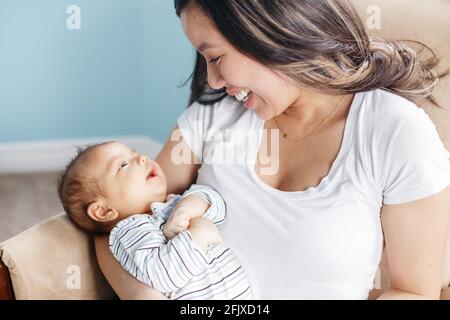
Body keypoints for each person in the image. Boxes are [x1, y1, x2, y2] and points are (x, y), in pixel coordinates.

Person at [95, 0, 450, 299]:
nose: (213, 80)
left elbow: (414, 292)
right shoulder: (211, 117)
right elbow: (117, 222)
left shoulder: (395, 132)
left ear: (271, 32)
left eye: (216, 58)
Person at [58, 141, 253, 299]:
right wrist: (199, 234)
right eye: (123, 164)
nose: (142, 158)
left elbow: (219, 208)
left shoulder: (172, 202)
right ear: (103, 210)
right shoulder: (130, 231)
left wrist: (193, 203)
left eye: (135, 153)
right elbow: (165, 276)